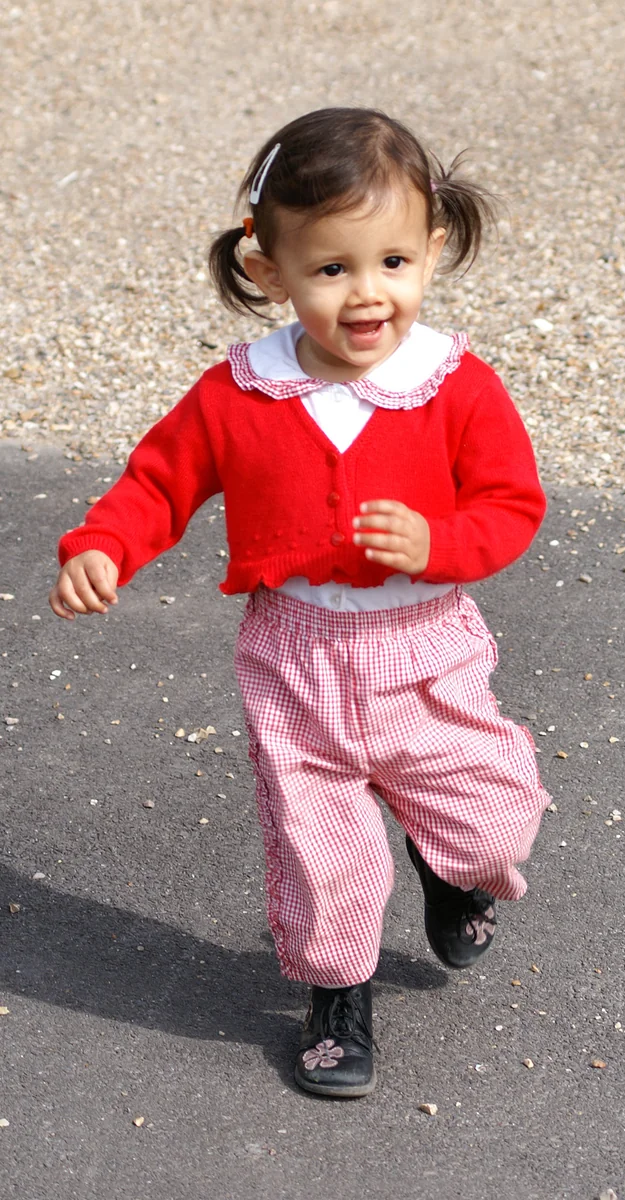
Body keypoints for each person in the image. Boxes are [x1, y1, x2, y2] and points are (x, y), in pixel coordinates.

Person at [49, 107, 552, 1099]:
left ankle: (449, 869)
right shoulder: (240, 394)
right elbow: (158, 482)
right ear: (270, 270)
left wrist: (438, 543)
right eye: (330, 269)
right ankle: (337, 998)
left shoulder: (452, 386)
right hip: (296, 656)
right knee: (324, 853)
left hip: (425, 647)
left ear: (432, 250)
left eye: (393, 262)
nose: (367, 293)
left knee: (491, 822)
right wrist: (102, 546)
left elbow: (511, 504)